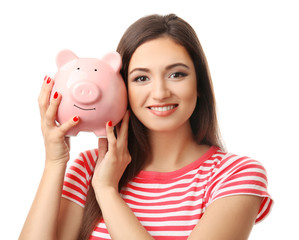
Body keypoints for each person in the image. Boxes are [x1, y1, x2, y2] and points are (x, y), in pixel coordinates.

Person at [19, 14, 273, 240]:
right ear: (121, 87)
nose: (160, 93)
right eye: (141, 78)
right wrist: (55, 161)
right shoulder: (88, 168)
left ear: (199, 85)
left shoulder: (236, 175)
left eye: (177, 74)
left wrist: (107, 192)